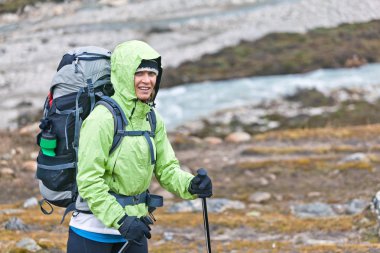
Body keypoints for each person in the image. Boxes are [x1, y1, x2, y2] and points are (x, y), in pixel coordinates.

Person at [66, 40, 213, 253]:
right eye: (139, 73)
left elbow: (167, 169)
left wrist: (191, 185)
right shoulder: (102, 119)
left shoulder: (152, 119)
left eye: (152, 74)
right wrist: (121, 220)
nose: (147, 81)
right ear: (125, 74)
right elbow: (89, 180)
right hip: (92, 233)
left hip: (134, 230)